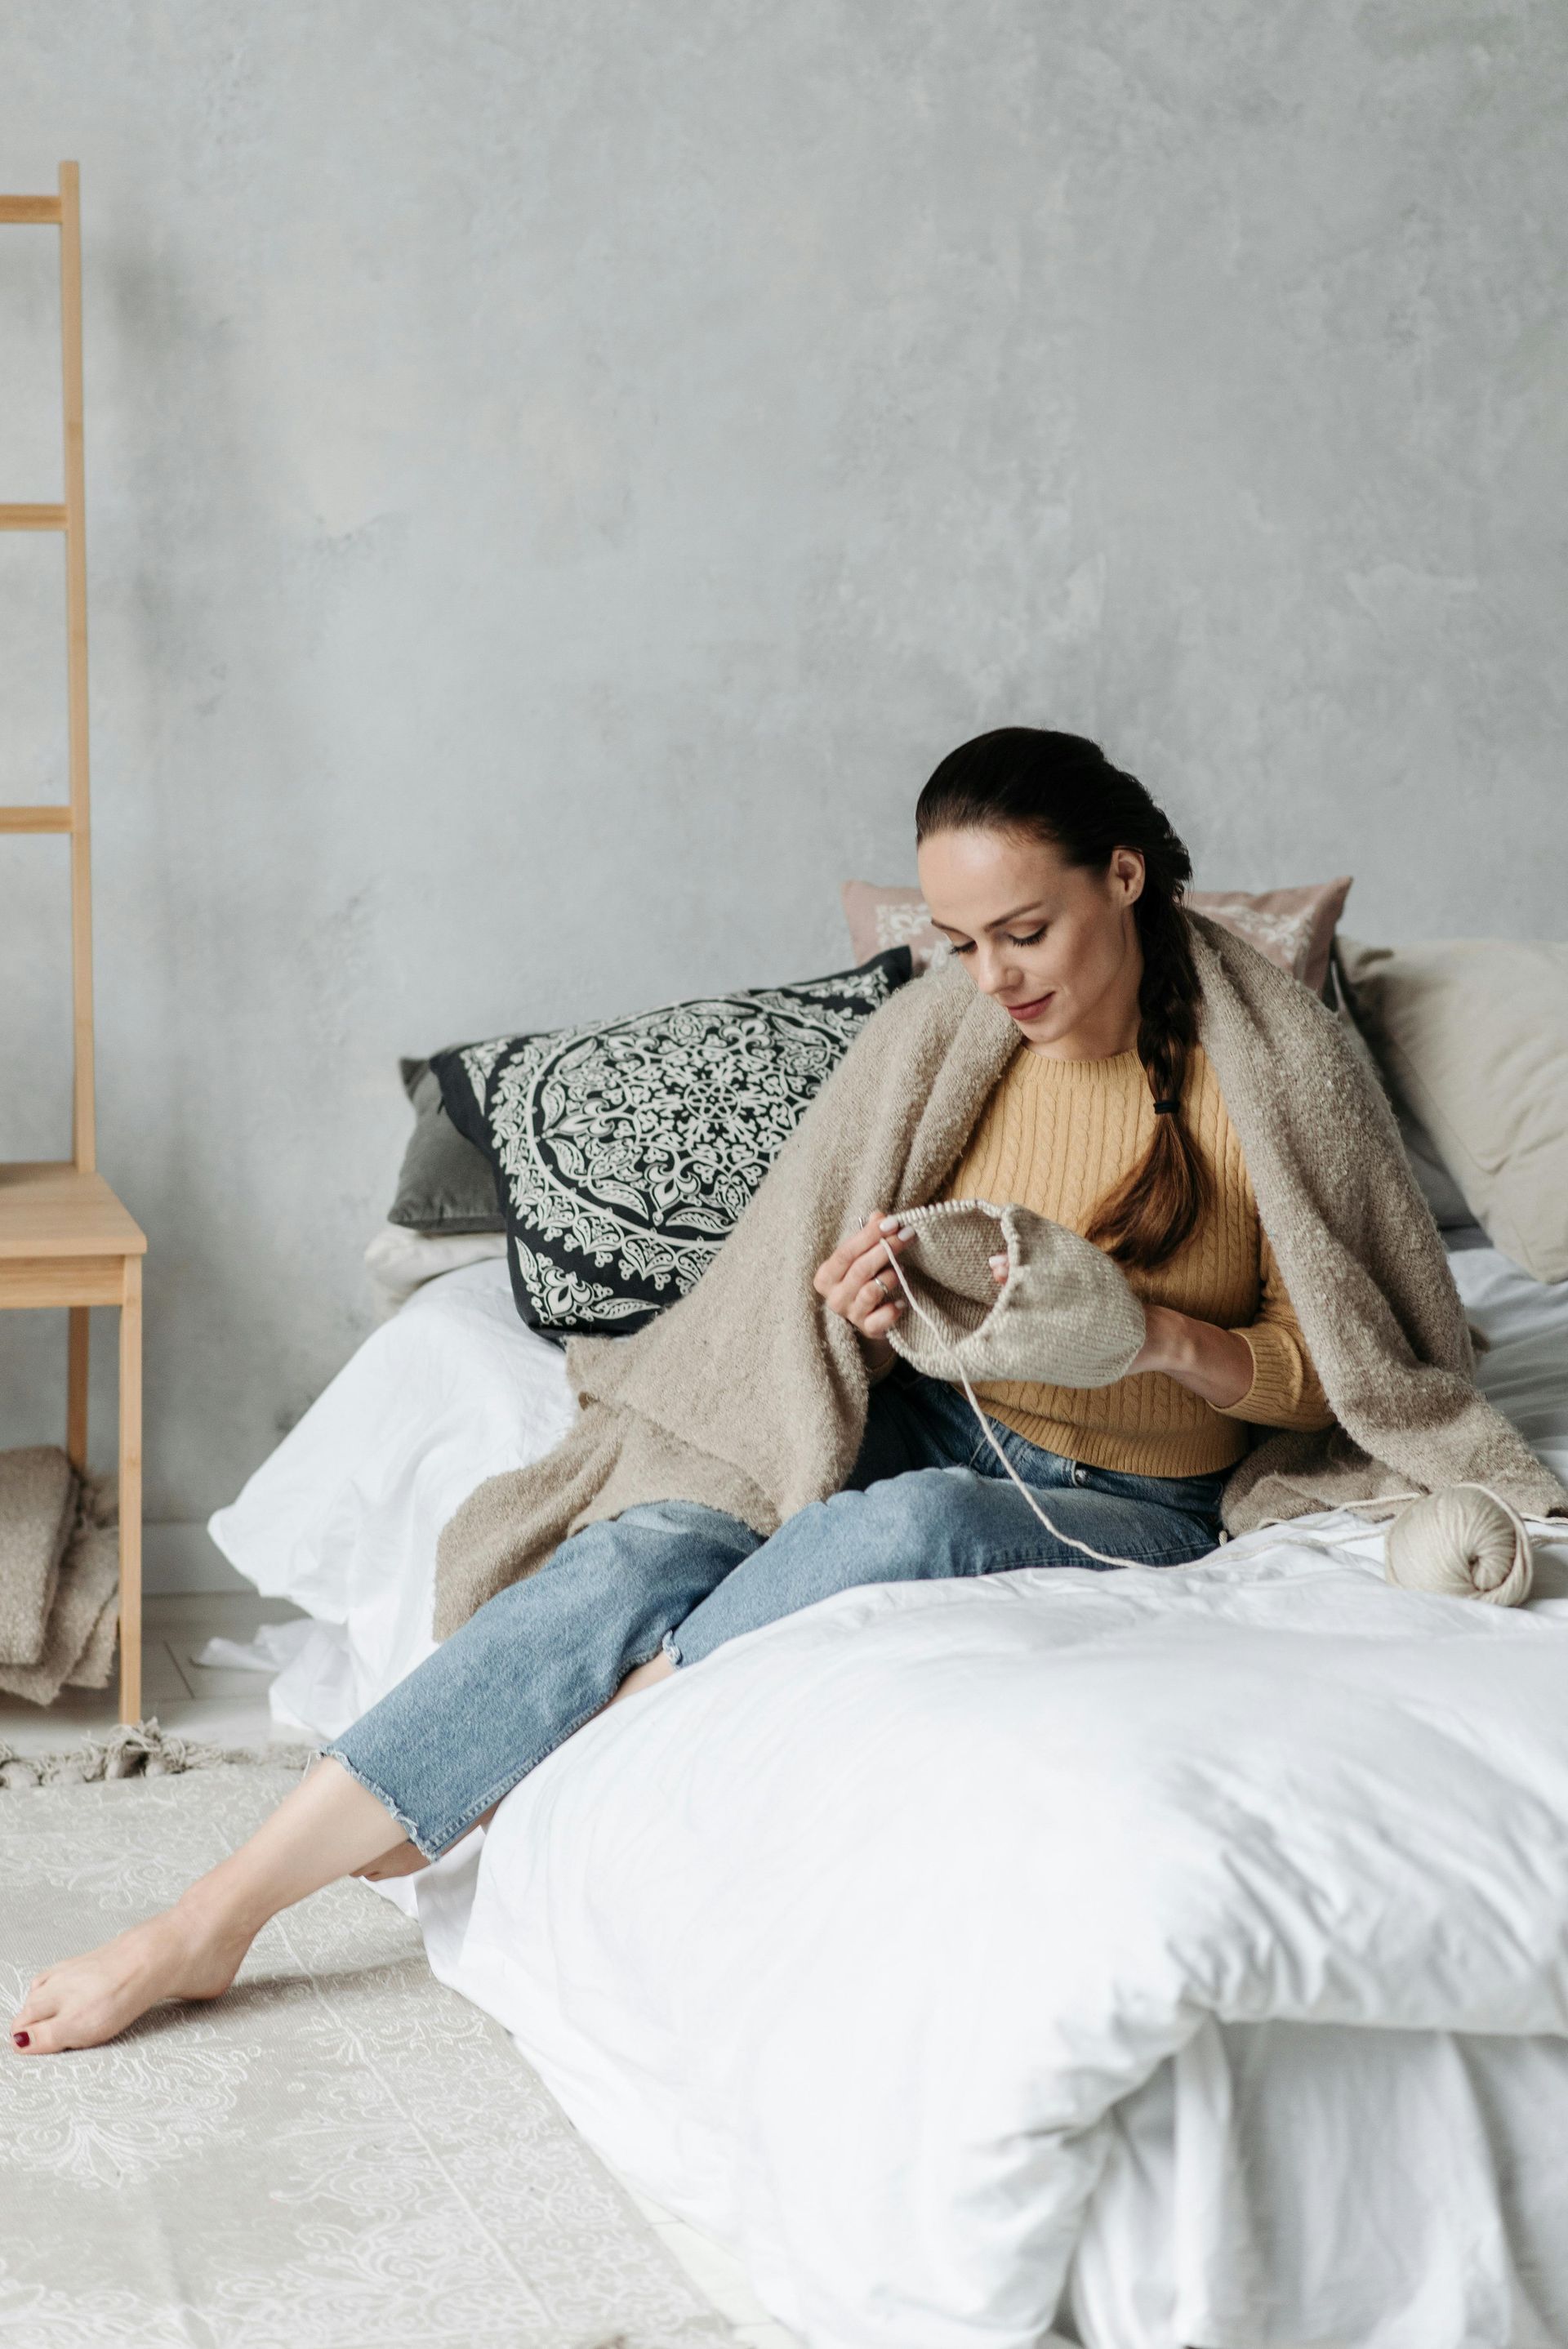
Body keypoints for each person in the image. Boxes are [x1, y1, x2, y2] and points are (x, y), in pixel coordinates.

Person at [10, 728, 1335, 2056]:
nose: (993, 978)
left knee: (904, 1527)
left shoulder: (1277, 1073)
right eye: (959, 941)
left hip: (1133, 1493)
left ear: (1122, 876)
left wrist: (1154, 1338)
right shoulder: (949, 1031)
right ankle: (210, 1920)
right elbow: (816, 1280)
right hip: (937, 1408)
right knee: (651, 1536)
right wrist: (874, 1317)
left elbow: (1341, 1369)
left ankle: (561, 1741)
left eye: (1025, 933)